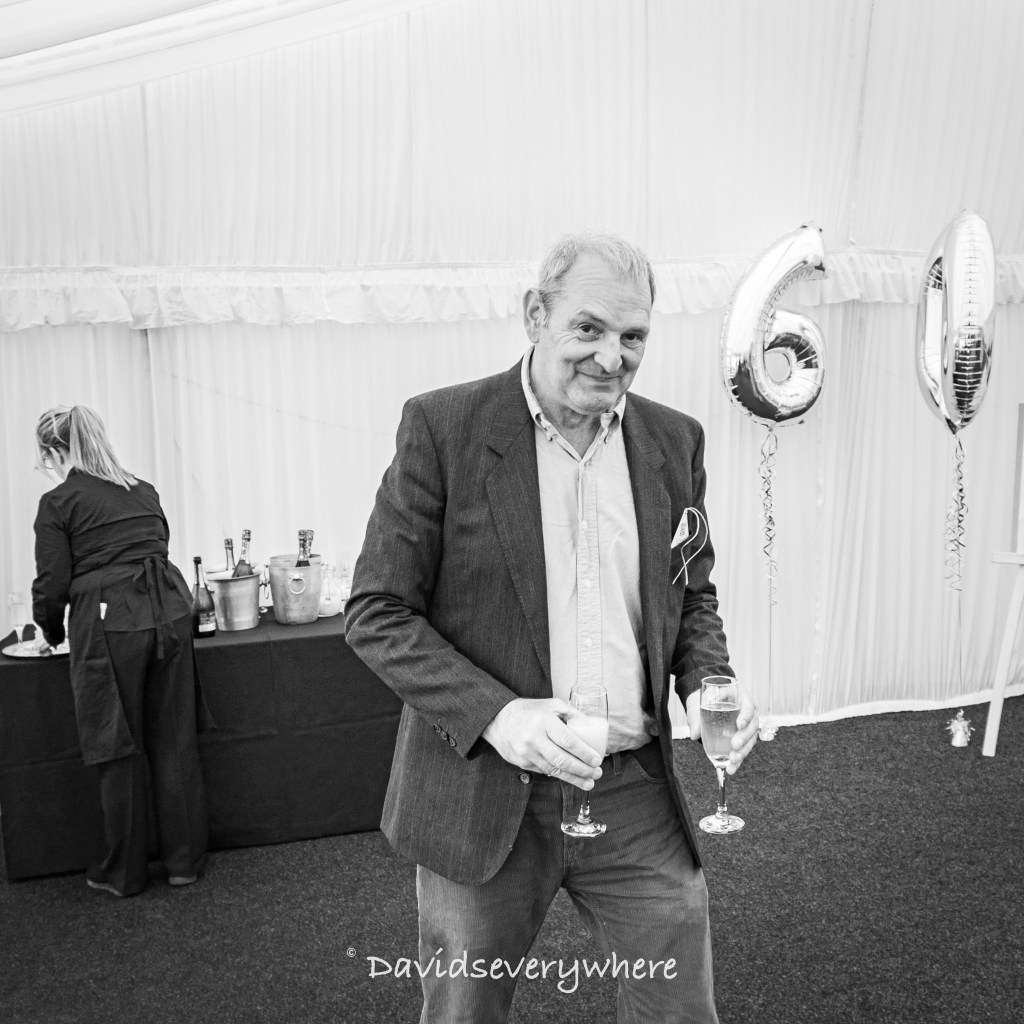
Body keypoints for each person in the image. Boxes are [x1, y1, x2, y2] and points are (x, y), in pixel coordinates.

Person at [345, 233, 759, 1023]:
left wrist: (710, 681)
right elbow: (377, 611)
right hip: (481, 790)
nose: (612, 356)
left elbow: (691, 596)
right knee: (464, 1011)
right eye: (589, 328)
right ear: (536, 314)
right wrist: (499, 716)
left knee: (679, 1006)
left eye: (632, 336)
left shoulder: (675, 441)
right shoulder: (443, 428)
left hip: (632, 788)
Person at [31, 405, 209, 897]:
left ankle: (124, 873)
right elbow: (158, 547)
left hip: (112, 624)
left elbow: (52, 583)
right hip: (170, 612)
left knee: (118, 745)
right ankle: (184, 863)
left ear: (55, 451)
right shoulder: (143, 489)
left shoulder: (59, 502)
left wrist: (51, 632)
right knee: (175, 741)